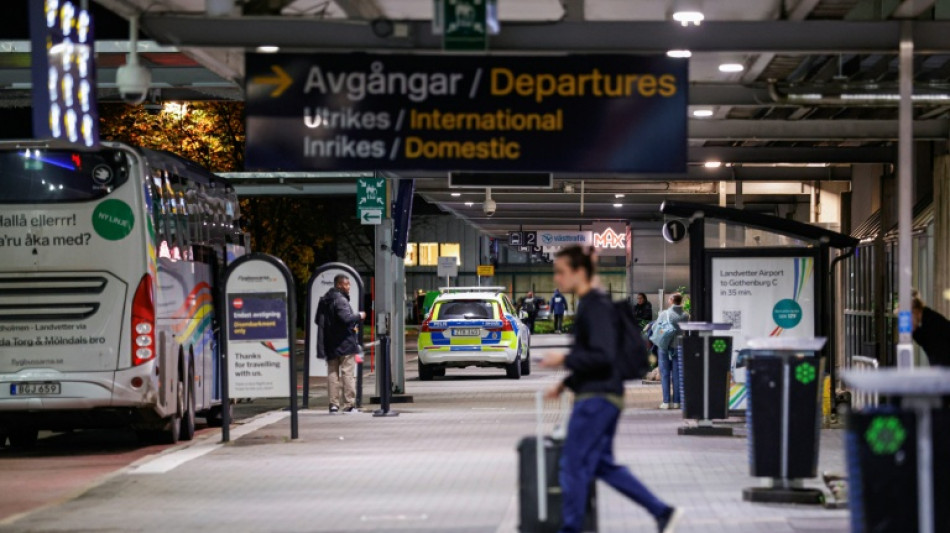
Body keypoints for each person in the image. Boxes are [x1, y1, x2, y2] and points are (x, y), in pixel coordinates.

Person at [541, 246, 682, 533]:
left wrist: (563, 359)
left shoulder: (594, 306)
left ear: (579, 272)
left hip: (596, 399)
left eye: (561, 272)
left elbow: (602, 355)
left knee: (573, 463)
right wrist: (566, 383)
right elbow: (597, 355)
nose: (557, 278)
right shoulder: (593, 304)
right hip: (603, 395)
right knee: (600, 464)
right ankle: (662, 512)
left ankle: (571, 529)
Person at [316, 275, 366, 414]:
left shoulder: (325, 300)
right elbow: (346, 318)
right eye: (346, 284)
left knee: (332, 373)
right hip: (345, 343)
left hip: (330, 342)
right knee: (347, 373)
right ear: (339, 285)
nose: (349, 287)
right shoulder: (340, 300)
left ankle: (333, 405)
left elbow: (318, 320)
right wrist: (359, 316)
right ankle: (349, 405)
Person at [650, 293, 689, 410]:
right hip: (679, 346)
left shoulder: (665, 314)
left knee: (665, 374)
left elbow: (655, 327)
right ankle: (677, 402)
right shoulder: (685, 315)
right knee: (677, 374)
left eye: (669, 299)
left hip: (664, 346)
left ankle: (666, 402)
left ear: (672, 300)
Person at [912, 294, 950, 367]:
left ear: (915, 311)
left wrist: (914, 330)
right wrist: (914, 330)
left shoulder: (931, 322)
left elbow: (930, 345)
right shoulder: (928, 319)